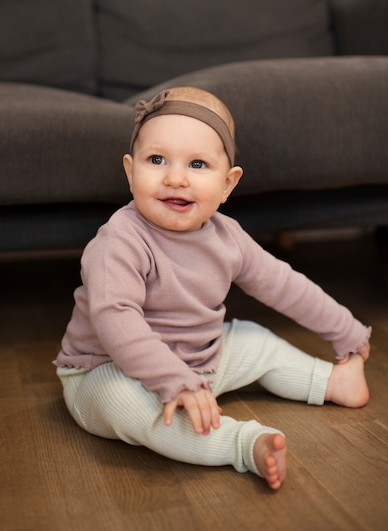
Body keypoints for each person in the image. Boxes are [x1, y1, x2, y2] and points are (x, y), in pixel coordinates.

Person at [54, 86, 371, 490]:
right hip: (106, 370)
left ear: (227, 184)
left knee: (255, 341)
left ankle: (328, 380)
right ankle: (240, 443)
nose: (175, 178)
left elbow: (285, 285)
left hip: (198, 363)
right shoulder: (119, 241)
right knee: (127, 406)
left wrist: (345, 329)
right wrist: (175, 382)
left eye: (198, 164)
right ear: (130, 171)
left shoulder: (228, 237)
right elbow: (115, 321)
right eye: (157, 160)